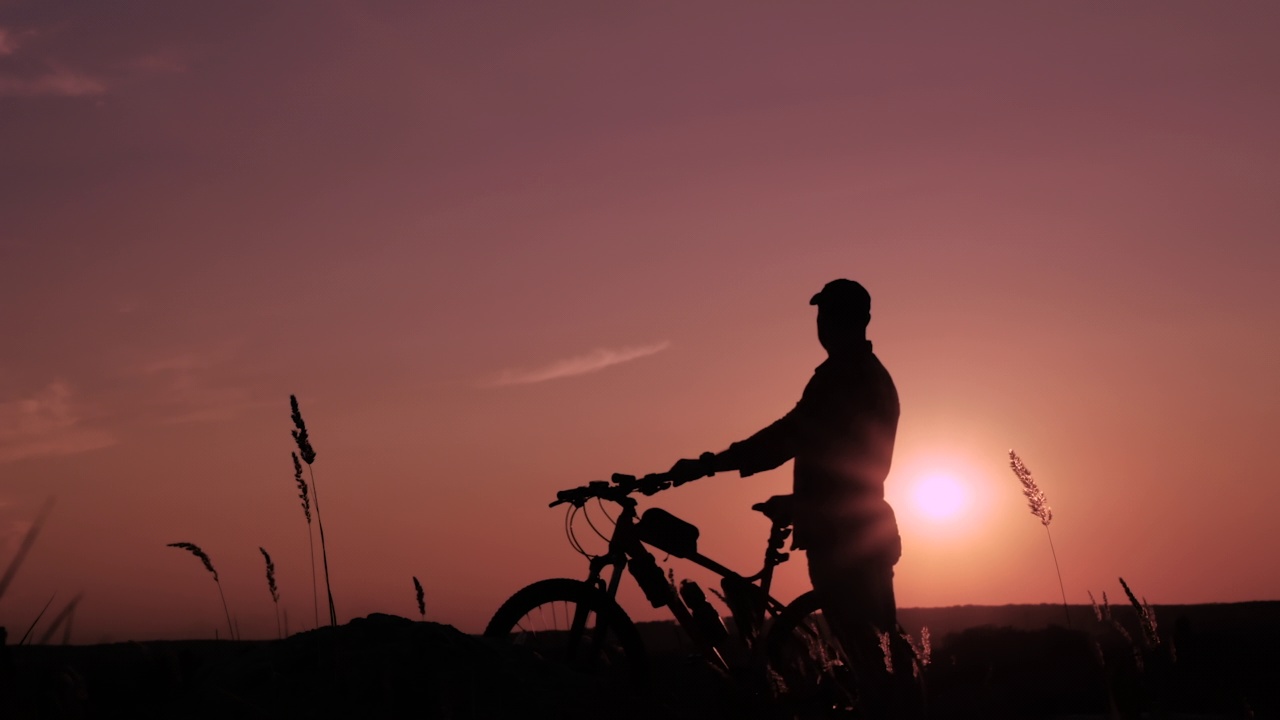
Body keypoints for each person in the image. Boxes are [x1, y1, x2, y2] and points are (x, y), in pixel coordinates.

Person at [667, 278, 919, 718]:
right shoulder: (868, 375)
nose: (822, 325)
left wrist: (711, 463)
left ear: (848, 322)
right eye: (823, 316)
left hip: (842, 532)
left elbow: (789, 435)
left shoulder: (844, 377)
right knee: (874, 662)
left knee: (871, 667)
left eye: (829, 316)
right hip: (859, 524)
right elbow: (839, 453)